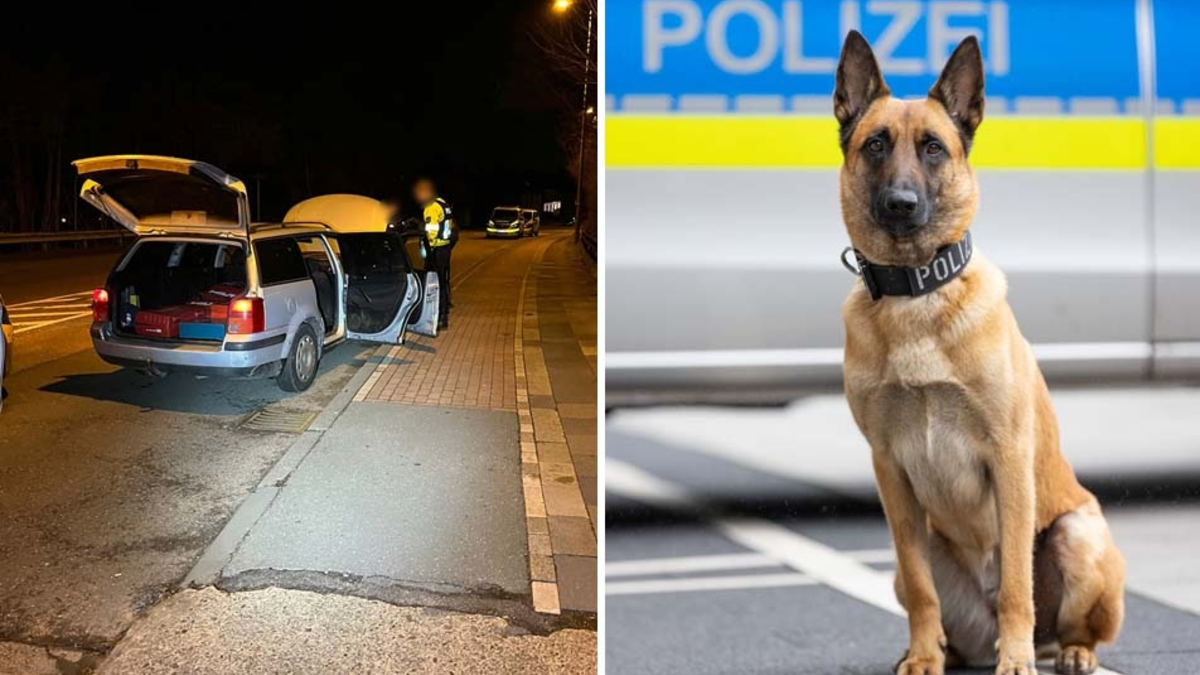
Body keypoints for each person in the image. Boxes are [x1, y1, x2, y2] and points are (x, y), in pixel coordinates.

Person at [413, 179, 453, 329]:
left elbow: (432, 231)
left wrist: (427, 250)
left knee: (433, 285)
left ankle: (436, 318)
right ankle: (443, 315)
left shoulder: (431, 207)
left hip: (435, 250)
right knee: (442, 283)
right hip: (445, 248)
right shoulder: (443, 203)